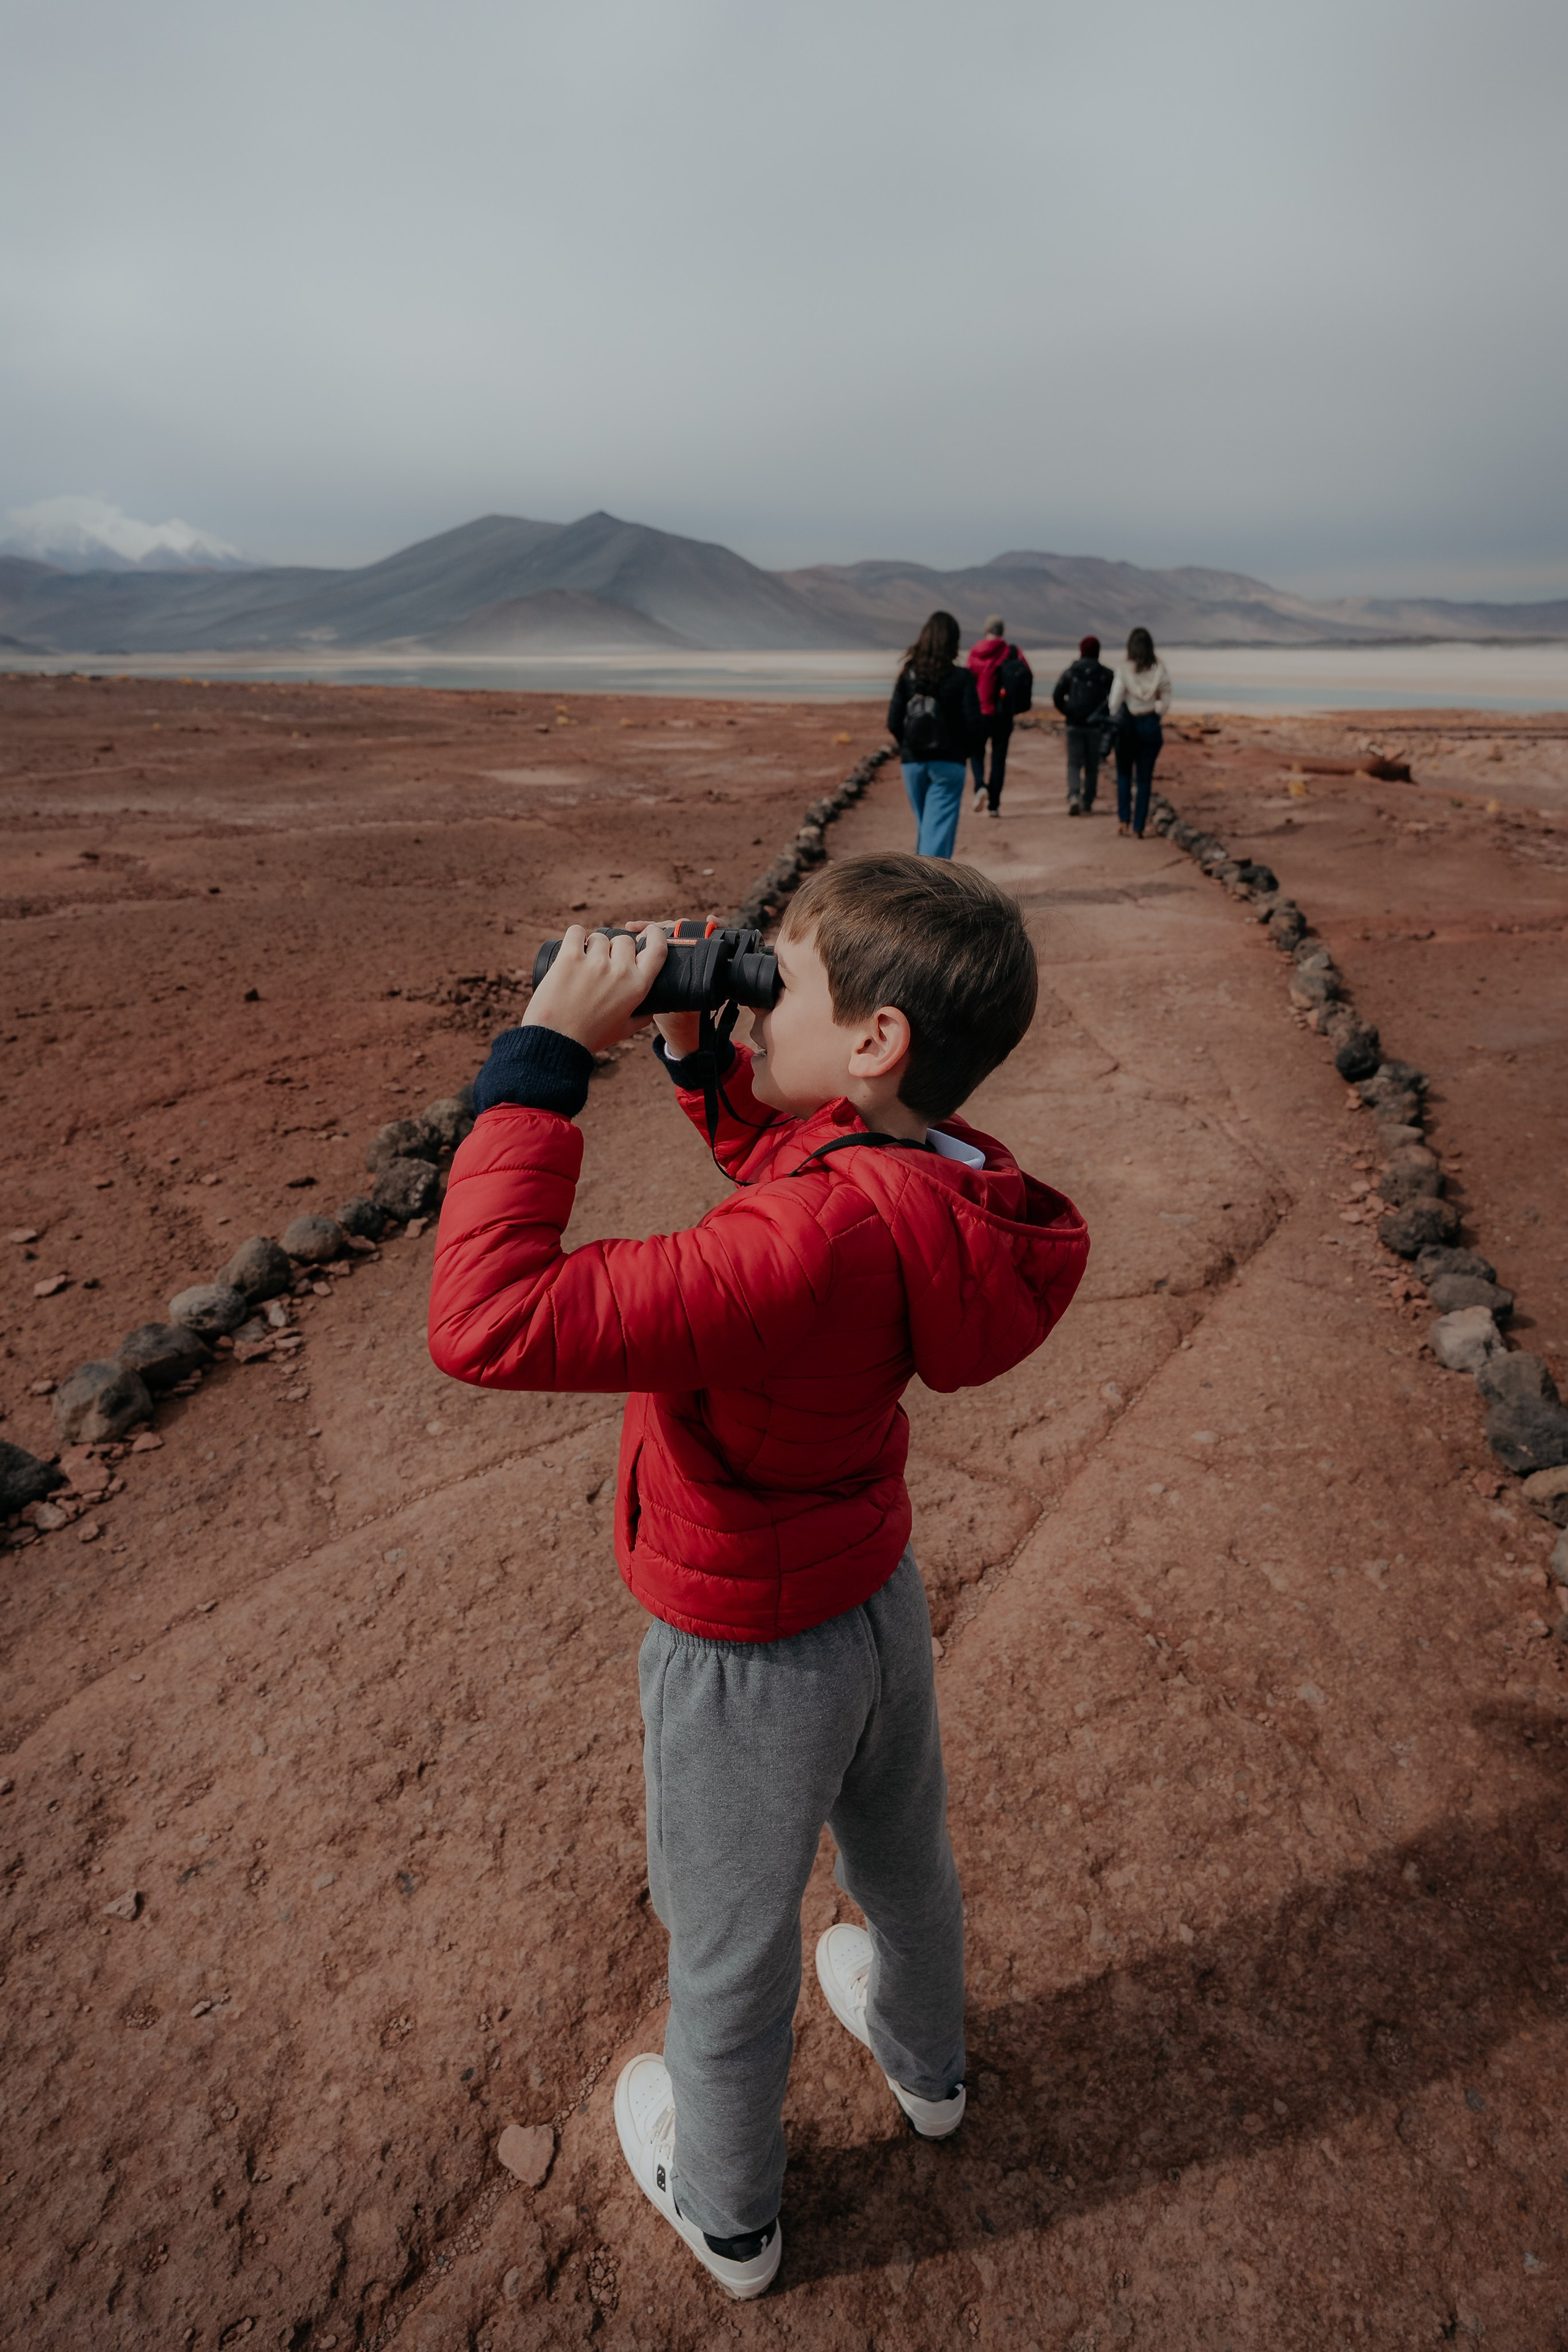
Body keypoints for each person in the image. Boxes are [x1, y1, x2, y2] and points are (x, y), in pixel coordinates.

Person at [428, 856, 1089, 2301]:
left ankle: (728, 2212)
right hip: (870, 1592)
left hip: (745, 1645)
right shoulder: (924, 1172)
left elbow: (487, 1317)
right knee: (901, 1862)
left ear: (873, 1039)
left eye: (771, 984)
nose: (752, 1001)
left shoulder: (804, 1241)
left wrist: (541, 1064)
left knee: (727, 1942)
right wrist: (692, 1048)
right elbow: (795, 1168)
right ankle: (926, 2069)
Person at [886, 611, 983, 858]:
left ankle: (920, 877)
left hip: (913, 764)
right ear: (953, 642)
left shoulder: (909, 674)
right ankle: (928, 882)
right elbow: (974, 725)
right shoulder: (962, 678)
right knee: (936, 834)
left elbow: (893, 722)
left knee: (927, 829)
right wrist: (961, 753)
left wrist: (909, 747)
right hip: (949, 765)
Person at [1107, 625, 1172, 837]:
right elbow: (1166, 699)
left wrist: (1120, 716)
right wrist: (1157, 714)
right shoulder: (1159, 670)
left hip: (1128, 726)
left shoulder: (1124, 669)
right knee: (1145, 778)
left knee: (1124, 774)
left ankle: (1123, 819)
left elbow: (1114, 703)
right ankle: (1139, 827)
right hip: (1150, 724)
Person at [965, 614, 1029, 818]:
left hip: (980, 712)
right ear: (1003, 632)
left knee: (976, 752)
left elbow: (968, 682)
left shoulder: (975, 652)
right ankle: (994, 805)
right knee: (999, 759)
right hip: (1004, 713)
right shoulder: (1012, 652)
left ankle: (980, 786)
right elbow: (1026, 675)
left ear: (986, 631)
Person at [1051, 634, 1115, 816]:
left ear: (1081, 651)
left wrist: (1069, 711)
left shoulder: (1071, 672)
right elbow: (1116, 699)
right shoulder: (1106, 674)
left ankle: (1073, 796)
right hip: (1096, 727)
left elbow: (1057, 696)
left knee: (1074, 763)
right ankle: (1088, 800)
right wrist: (1104, 716)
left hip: (1074, 725)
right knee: (1092, 765)